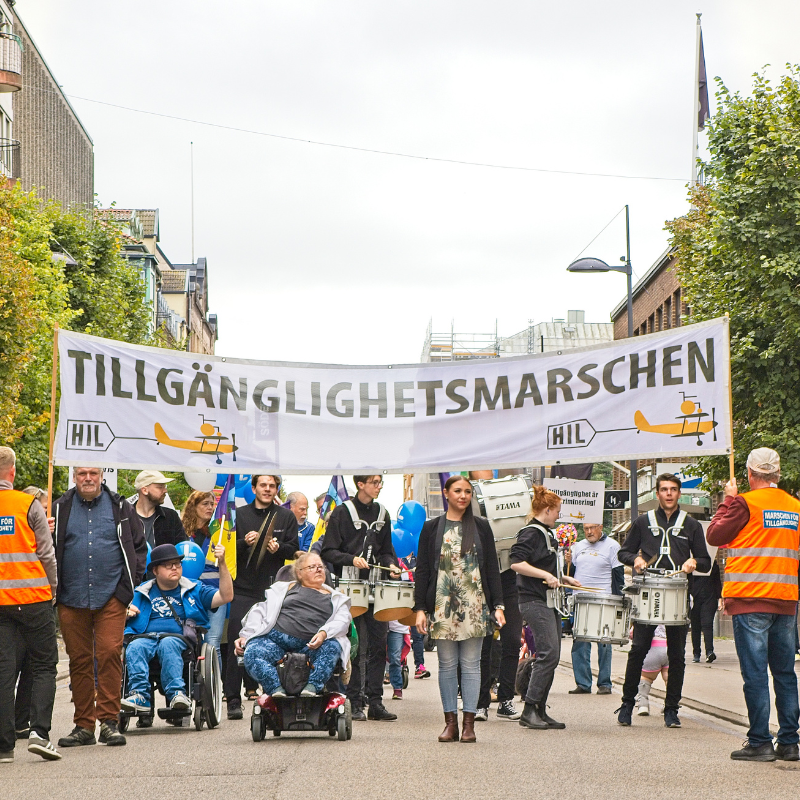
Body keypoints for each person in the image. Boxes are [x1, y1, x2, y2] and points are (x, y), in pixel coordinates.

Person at [708, 447, 800, 762]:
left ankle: (760, 741)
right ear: (777, 474)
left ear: (749, 474)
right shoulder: (795, 506)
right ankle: (790, 742)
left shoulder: (744, 503)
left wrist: (728, 499)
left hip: (750, 600)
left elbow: (715, 535)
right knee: (785, 673)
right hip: (786, 601)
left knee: (756, 673)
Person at [53, 466, 146, 748]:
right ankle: (83, 725)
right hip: (70, 596)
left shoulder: (121, 507)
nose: (88, 478)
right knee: (79, 660)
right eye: (82, 474)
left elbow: (140, 549)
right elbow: (44, 548)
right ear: (74, 477)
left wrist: (124, 591)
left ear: (102, 476)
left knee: (108, 654)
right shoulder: (59, 508)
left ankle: (108, 723)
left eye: (93, 473)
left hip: (111, 597)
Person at [615, 473, 710, 728]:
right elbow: (622, 551)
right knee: (638, 651)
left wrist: (694, 562)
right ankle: (626, 704)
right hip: (649, 592)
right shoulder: (642, 522)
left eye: (673, 489)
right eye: (664, 489)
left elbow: (706, 561)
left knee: (677, 655)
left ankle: (671, 710)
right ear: (657, 494)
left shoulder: (691, 525)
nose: (669, 493)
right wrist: (634, 559)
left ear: (679, 493)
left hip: (678, 593)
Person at [415, 476, 505, 743]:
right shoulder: (432, 528)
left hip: (475, 604)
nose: (463, 496)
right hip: (443, 605)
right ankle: (450, 723)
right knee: (446, 665)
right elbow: (422, 571)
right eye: (457, 491)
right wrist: (420, 608)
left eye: (468, 491)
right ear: (446, 493)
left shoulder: (481, 527)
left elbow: (491, 568)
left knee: (471, 665)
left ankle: (469, 725)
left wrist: (498, 605)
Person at [321, 474, 400, 722]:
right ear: (360, 484)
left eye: (380, 482)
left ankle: (376, 702)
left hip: (376, 585)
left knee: (379, 644)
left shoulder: (383, 513)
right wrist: (350, 559)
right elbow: (328, 551)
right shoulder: (342, 513)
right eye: (374, 482)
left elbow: (386, 550)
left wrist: (392, 565)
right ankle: (355, 701)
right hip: (349, 587)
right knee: (357, 644)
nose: (379, 486)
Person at [0, 447, 61, 762]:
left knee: (3, 669)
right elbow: (47, 554)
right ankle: (39, 732)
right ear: (12, 472)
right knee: (43, 665)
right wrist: (53, 588)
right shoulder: (28, 505)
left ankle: (3, 746)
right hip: (33, 598)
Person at [121, 542, 233, 712]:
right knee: (134, 647)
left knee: (168, 643)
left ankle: (176, 694)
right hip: (145, 637)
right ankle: (140, 695)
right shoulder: (140, 592)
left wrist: (223, 564)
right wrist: (125, 611)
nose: (174, 568)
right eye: (167, 565)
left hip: (178, 638)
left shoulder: (194, 589)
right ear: (155, 571)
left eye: (177, 564)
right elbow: (117, 613)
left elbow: (226, 596)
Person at [225, 474, 298, 720]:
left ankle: (272, 696)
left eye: (272, 486)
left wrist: (280, 548)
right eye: (263, 485)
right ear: (254, 488)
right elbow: (226, 545)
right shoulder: (240, 515)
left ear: (277, 489)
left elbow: (294, 549)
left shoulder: (285, 516)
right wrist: (244, 542)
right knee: (236, 642)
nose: (267, 489)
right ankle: (233, 699)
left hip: (273, 591)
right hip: (243, 589)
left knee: (275, 644)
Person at [510, 486, 581, 731]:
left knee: (551, 656)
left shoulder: (546, 533)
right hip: (533, 600)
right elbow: (516, 563)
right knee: (548, 654)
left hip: (547, 599)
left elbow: (544, 567)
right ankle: (529, 710)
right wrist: (544, 575)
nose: (558, 516)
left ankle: (540, 709)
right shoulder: (532, 533)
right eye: (557, 511)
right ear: (548, 509)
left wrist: (563, 578)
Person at [236, 551, 351, 697]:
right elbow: (259, 611)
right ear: (299, 573)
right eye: (312, 567)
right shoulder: (283, 589)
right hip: (276, 642)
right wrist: (246, 635)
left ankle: (312, 687)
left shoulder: (336, 598)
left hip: (312, 645)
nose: (319, 569)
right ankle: (275, 688)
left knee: (334, 646)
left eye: (321, 567)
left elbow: (343, 621)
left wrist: (324, 633)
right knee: (252, 651)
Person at [568, 522, 624, 695]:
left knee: (604, 643)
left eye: (592, 528)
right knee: (580, 642)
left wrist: (619, 600)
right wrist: (567, 564)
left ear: (601, 527)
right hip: (581, 599)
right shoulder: (577, 547)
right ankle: (583, 684)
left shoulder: (613, 546)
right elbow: (570, 574)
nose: (589, 532)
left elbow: (618, 575)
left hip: (604, 600)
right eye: (586, 529)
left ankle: (605, 683)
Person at [13, 488, 50, 742]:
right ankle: (27, 724)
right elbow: (45, 556)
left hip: (20, 600)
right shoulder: (26, 514)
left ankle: (19, 722)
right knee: (33, 665)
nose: (46, 512)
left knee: (26, 667)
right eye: (43, 508)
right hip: (30, 599)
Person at [181, 491, 227, 658]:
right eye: (205, 504)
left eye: (212, 504)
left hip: (214, 592)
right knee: (185, 641)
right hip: (186, 592)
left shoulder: (219, 532)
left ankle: (214, 684)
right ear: (193, 506)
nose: (210, 507)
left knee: (213, 643)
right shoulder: (181, 532)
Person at [131, 470, 186, 548]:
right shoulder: (125, 517)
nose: (165, 491)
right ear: (144, 490)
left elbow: (182, 548)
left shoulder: (171, 517)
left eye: (165, 487)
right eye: (160, 487)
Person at [689, 561, 722, 663]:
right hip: (694, 598)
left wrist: (719, 598)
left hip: (709, 598)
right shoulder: (691, 564)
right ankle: (696, 653)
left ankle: (709, 651)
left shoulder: (713, 565)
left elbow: (717, 582)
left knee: (707, 624)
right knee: (695, 626)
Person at [635, 625, 668, 716]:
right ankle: (669, 705)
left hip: (652, 647)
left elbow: (632, 634)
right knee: (668, 676)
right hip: (669, 647)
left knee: (646, 677)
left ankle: (643, 704)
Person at [386, 620, 409, 700]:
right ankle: (372, 691)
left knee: (395, 658)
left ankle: (397, 688)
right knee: (375, 657)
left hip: (397, 627)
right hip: (377, 624)